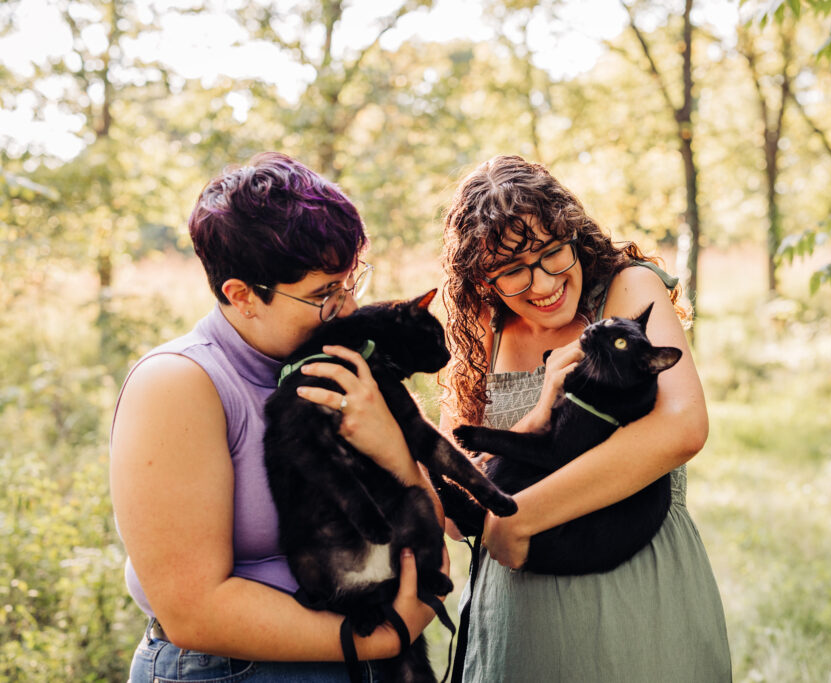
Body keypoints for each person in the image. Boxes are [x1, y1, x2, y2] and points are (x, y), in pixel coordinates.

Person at [109, 152, 448, 682]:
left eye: (349, 280)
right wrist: (382, 639)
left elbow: (425, 527)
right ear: (241, 296)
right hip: (237, 670)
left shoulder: (337, 362)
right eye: (323, 293)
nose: (349, 306)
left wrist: (394, 448)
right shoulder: (179, 384)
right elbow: (192, 610)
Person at [440, 155, 731, 681]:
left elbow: (682, 426)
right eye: (511, 270)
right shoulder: (485, 333)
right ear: (483, 280)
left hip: (633, 599)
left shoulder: (626, 293)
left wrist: (518, 513)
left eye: (552, 253)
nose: (543, 282)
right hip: (514, 620)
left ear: (574, 235)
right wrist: (535, 417)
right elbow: (451, 490)